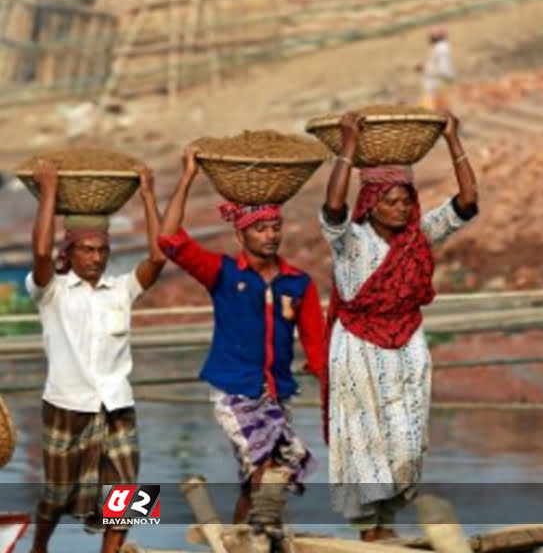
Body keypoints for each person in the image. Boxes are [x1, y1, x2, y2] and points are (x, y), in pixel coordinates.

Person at [319, 110, 478, 542]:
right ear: (370, 204)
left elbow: (466, 203)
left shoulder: (416, 238)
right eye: (390, 200)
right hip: (349, 354)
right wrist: (350, 146)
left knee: (403, 446)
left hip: (405, 345)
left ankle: (381, 533)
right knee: (266, 470)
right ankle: (118, 530)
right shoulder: (352, 242)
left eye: (406, 199)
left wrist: (452, 141)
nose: (401, 207)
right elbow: (333, 209)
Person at [157, 147, 327, 527]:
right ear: (240, 233)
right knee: (266, 467)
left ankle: (247, 540)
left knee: (261, 483)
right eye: (260, 228)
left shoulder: (298, 283)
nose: (270, 236)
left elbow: (318, 346)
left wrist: (335, 391)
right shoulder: (222, 273)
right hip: (235, 390)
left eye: (275, 227)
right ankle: (93, 530)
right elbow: (169, 241)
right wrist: (186, 178)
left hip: (275, 393)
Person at [26, 159, 166, 553]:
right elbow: (39, 253)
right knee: (55, 496)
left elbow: (158, 259)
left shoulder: (120, 289)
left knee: (129, 493)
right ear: (70, 253)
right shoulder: (51, 290)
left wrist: (149, 194)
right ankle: (39, 548)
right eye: (87, 250)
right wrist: (49, 190)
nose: (96, 257)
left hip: (117, 405)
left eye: (102, 250)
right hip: (66, 405)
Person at [419, 28, 455, 111]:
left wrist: (425, 67)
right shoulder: (439, 49)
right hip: (435, 90)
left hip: (437, 91)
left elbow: (446, 72)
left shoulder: (441, 50)